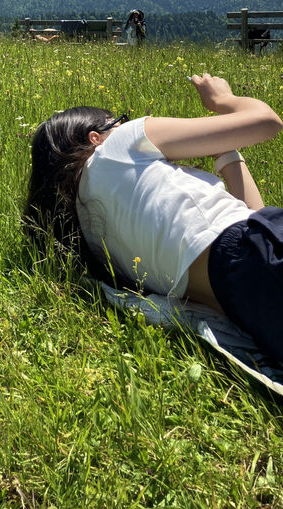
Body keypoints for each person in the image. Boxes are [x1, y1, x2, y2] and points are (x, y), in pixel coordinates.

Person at [23, 74, 283, 362]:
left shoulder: (95, 240)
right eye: (118, 121)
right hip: (256, 250)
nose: (124, 125)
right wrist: (223, 100)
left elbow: (251, 221)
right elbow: (267, 121)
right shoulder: (116, 147)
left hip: (248, 304)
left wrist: (227, 154)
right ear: (95, 138)